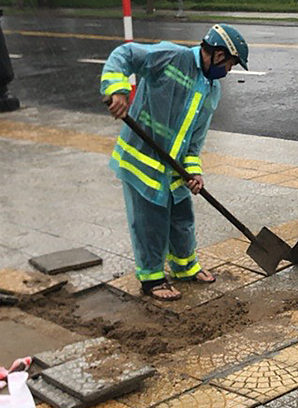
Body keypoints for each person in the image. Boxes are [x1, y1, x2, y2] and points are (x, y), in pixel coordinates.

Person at [101, 24, 250, 301]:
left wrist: (194, 172)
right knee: (150, 221)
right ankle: (152, 277)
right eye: (230, 64)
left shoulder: (212, 89)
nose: (229, 71)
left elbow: (195, 140)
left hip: (175, 166)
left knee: (182, 217)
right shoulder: (170, 56)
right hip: (142, 160)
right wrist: (118, 90)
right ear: (218, 55)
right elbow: (124, 55)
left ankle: (185, 266)